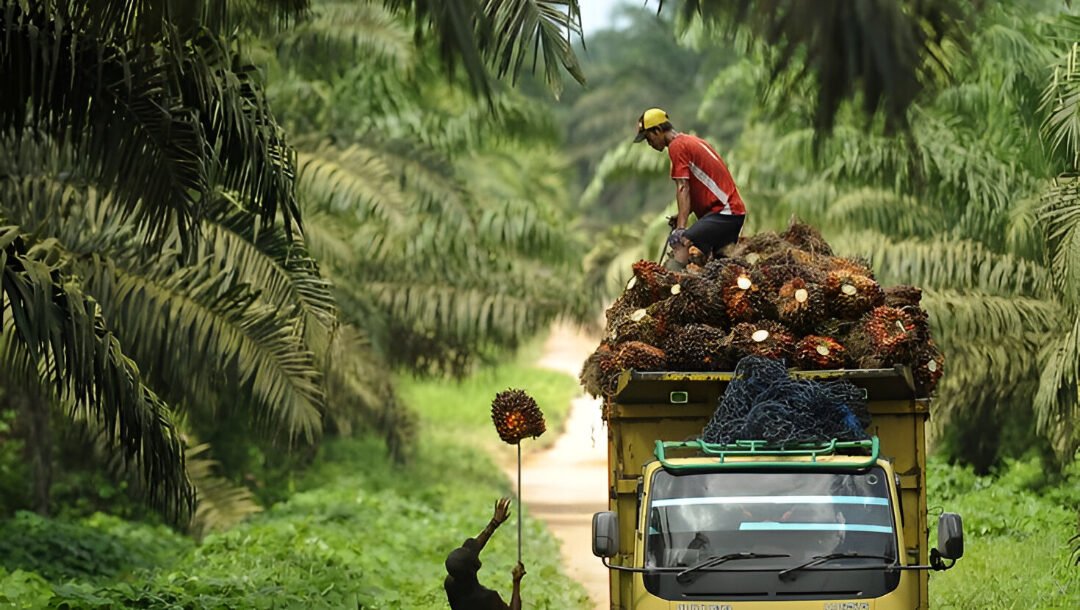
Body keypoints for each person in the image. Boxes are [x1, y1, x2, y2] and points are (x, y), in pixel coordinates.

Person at [634, 107, 747, 266]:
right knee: (721, 266)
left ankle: (672, 278)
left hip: (725, 212)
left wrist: (680, 228)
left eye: (648, 138)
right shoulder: (689, 141)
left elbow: (683, 187)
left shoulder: (677, 146)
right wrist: (682, 214)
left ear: (658, 130)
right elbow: (701, 187)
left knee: (681, 243)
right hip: (731, 213)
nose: (649, 143)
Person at [444, 497, 526, 610]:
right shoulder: (487, 599)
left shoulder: (451, 584)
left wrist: (494, 522)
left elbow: (475, 545)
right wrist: (516, 582)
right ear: (475, 566)